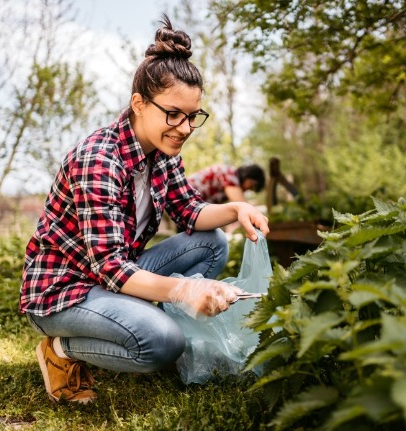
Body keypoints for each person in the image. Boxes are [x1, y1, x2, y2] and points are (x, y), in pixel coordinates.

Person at [19, 15, 269, 404]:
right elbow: (111, 267)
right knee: (161, 342)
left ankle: (137, 324)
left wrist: (237, 207)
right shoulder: (99, 160)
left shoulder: (161, 153)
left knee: (213, 242)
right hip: (65, 292)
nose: (184, 128)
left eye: (192, 117)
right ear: (139, 103)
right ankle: (61, 351)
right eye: (174, 114)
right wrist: (186, 290)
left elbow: (189, 211)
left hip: (111, 278)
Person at [187, 164, 266, 204]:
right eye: (252, 185)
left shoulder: (233, 180)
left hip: (193, 203)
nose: (249, 189)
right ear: (247, 176)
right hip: (185, 194)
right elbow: (242, 205)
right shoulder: (230, 174)